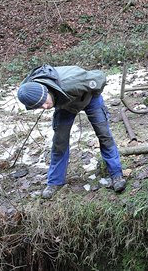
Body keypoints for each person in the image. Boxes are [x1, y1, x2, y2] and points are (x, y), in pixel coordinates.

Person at [17, 64, 127, 199]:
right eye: (40, 106)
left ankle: (116, 174)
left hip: (89, 97)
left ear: (46, 91)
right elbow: (38, 99)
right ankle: (55, 182)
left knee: (104, 135)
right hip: (65, 104)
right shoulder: (28, 90)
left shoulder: (72, 81)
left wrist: (93, 96)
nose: (45, 107)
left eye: (45, 102)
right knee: (59, 142)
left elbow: (100, 77)